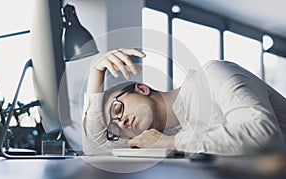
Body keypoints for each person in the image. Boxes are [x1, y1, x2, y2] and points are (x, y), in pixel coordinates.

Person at [82, 48, 286, 156]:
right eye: (115, 128)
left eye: (118, 110)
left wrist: (170, 143)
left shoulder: (213, 75)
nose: (121, 123)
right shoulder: (171, 132)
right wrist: (95, 74)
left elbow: (265, 135)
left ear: (142, 89)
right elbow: (94, 148)